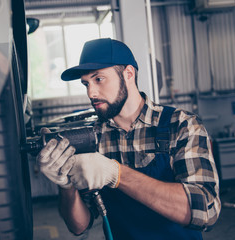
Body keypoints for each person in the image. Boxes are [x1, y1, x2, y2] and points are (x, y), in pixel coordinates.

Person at [37, 38, 221, 239]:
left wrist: (116, 174)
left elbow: (205, 211)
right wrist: (66, 186)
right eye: (86, 84)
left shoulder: (181, 125)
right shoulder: (93, 139)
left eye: (98, 79)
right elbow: (79, 226)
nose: (91, 93)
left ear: (128, 74)